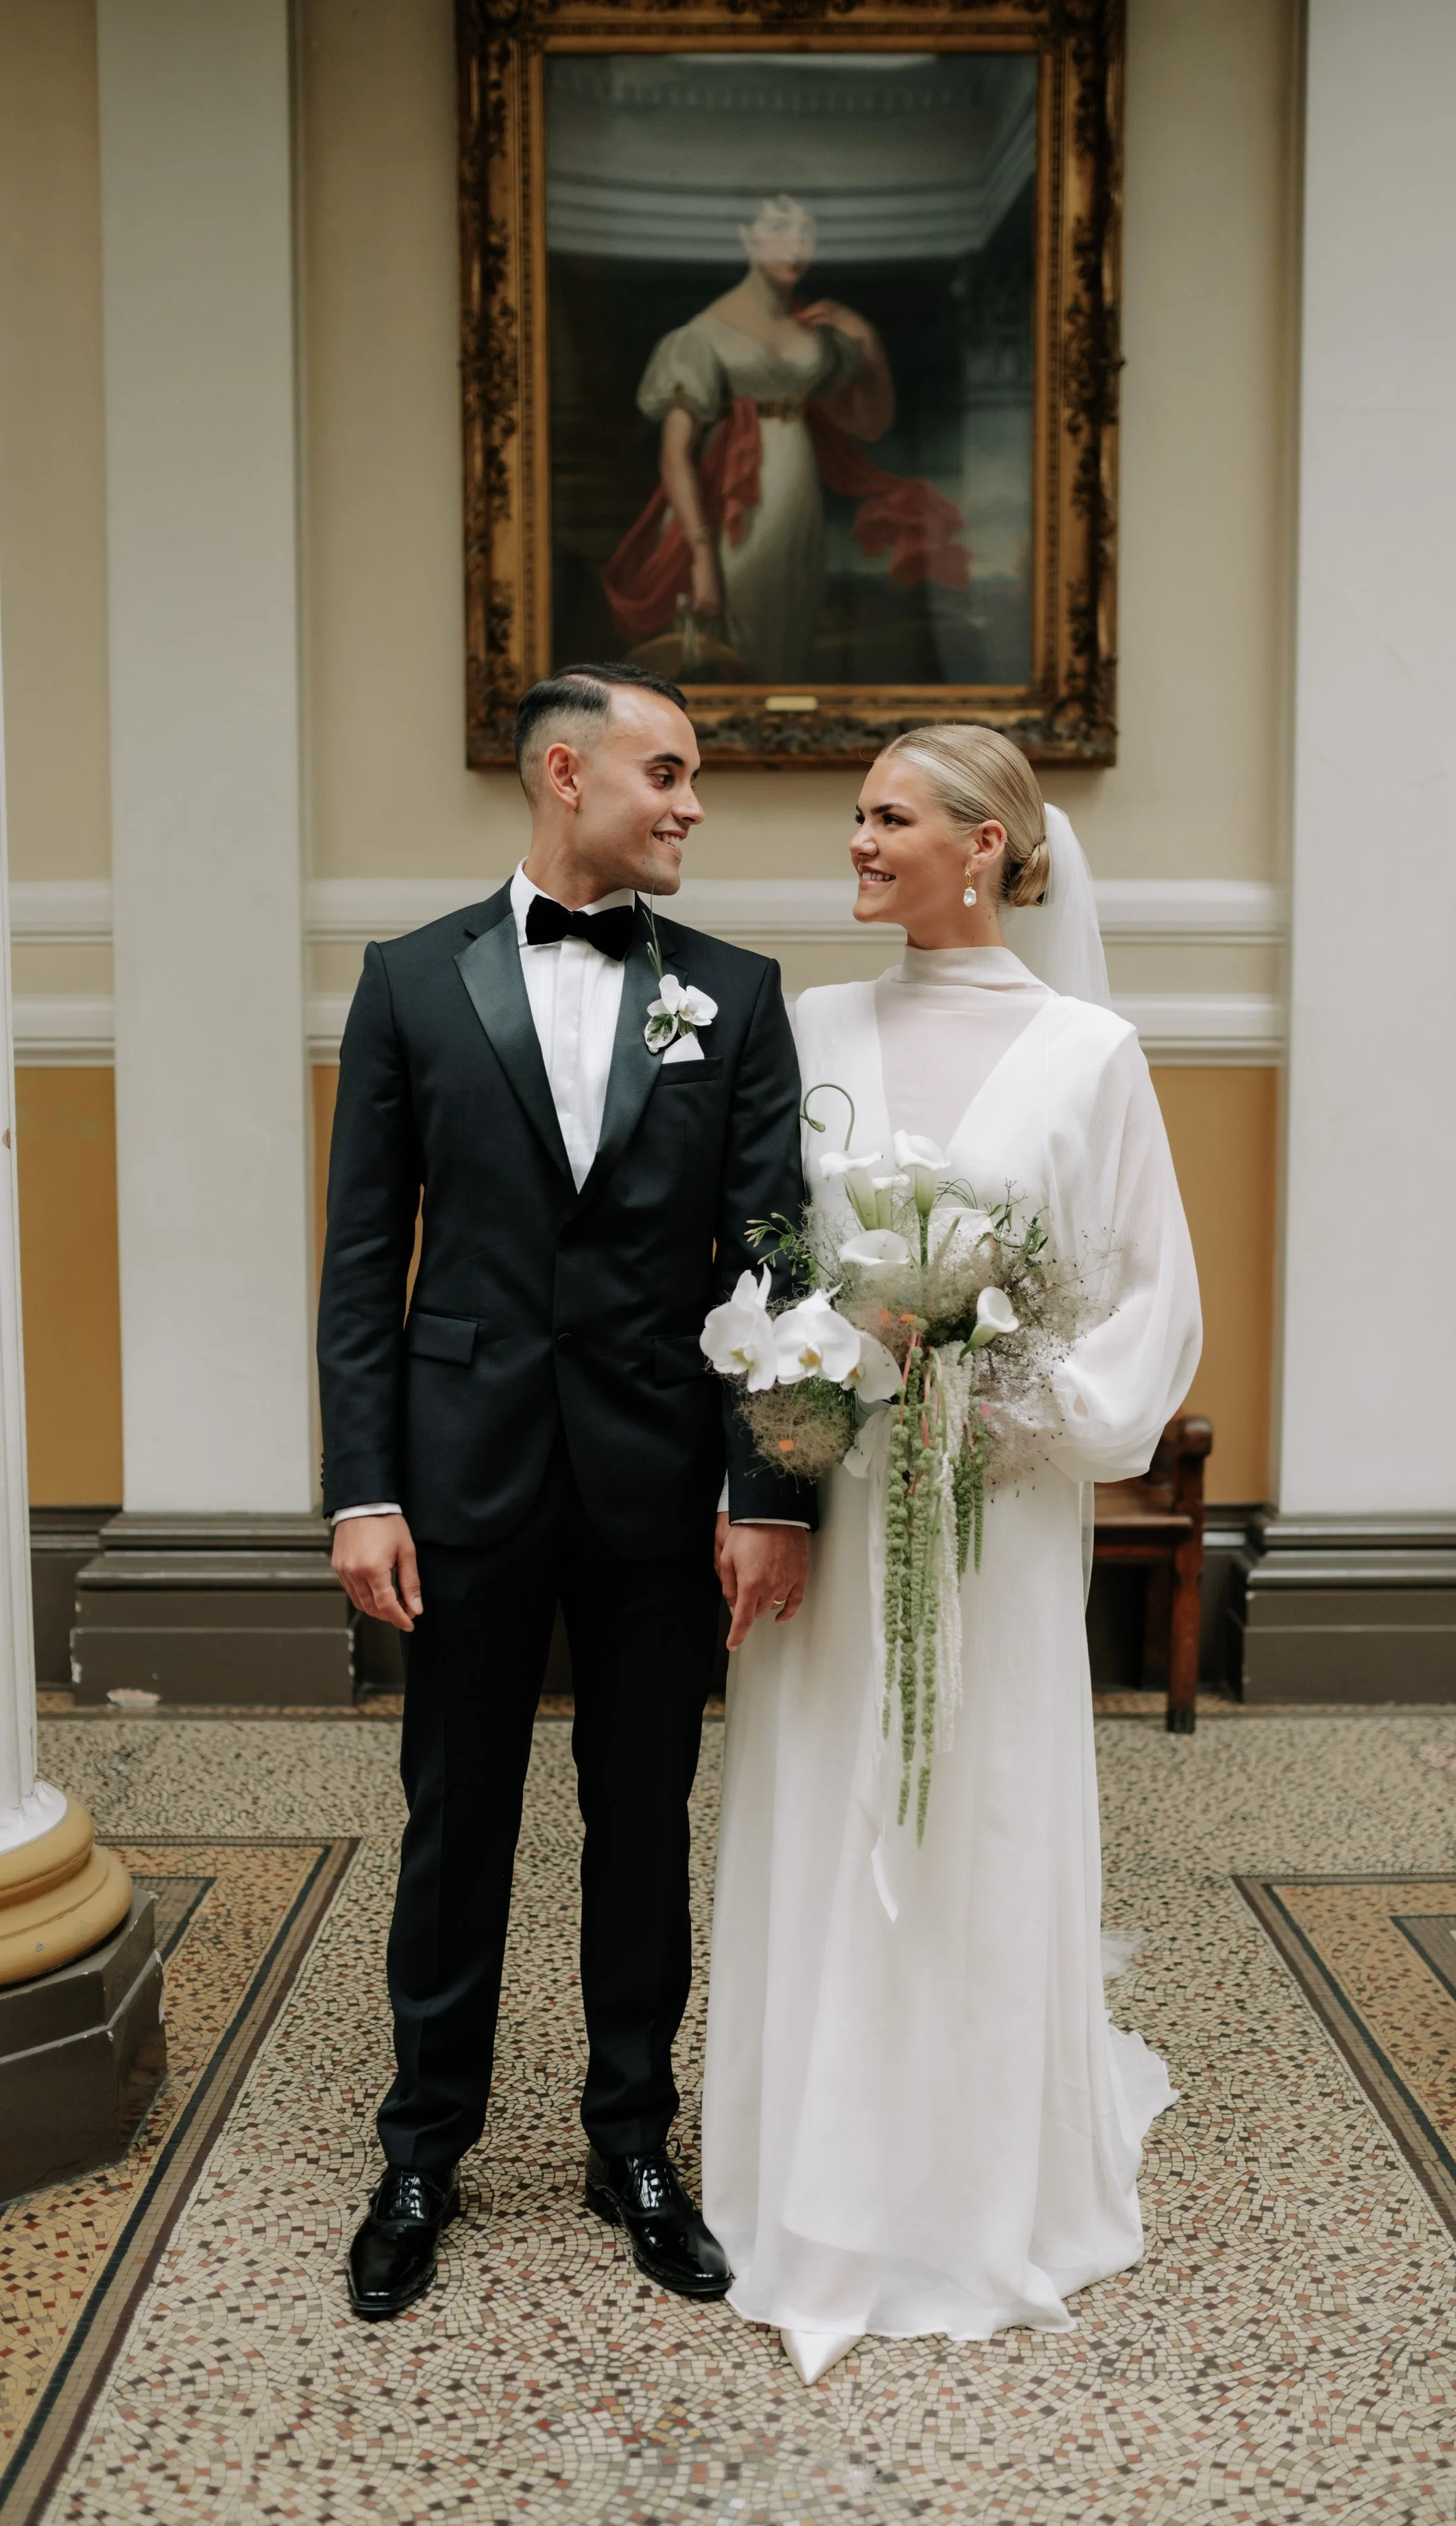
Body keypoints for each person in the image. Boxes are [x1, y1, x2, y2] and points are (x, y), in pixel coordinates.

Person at [701, 725, 1202, 2384]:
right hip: (828, 1504)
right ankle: (818, 2175)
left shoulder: (1088, 1051)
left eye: (888, 817)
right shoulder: (806, 1024)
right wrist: (778, 1466)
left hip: (989, 1505)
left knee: (969, 1794)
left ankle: (976, 2174)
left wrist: (996, 1385)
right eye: (856, 814)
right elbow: (766, 1258)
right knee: (824, 1794)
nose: (855, 840)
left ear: (985, 845)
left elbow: (1147, 1303)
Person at [319, 665, 816, 2321]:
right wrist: (362, 1487)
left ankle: (633, 2142)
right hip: (456, 1477)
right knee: (454, 1817)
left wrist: (772, 1489)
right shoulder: (406, 982)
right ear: (563, 772)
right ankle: (421, 2148)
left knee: (642, 1818)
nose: (689, 804)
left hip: (656, 1481)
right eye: (664, 772)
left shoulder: (734, 997)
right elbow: (360, 1266)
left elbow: (774, 1256)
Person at [602, 195, 969, 681]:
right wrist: (702, 556)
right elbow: (675, 457)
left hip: (799, 496)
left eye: (805, 232)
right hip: (731, 508)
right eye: (778, 229)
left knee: (789, 625)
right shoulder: (703, 335)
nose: (795, 245)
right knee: (738, 631)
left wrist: (867, 340)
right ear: (747, 238)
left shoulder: (816, 330)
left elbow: (869, 426)